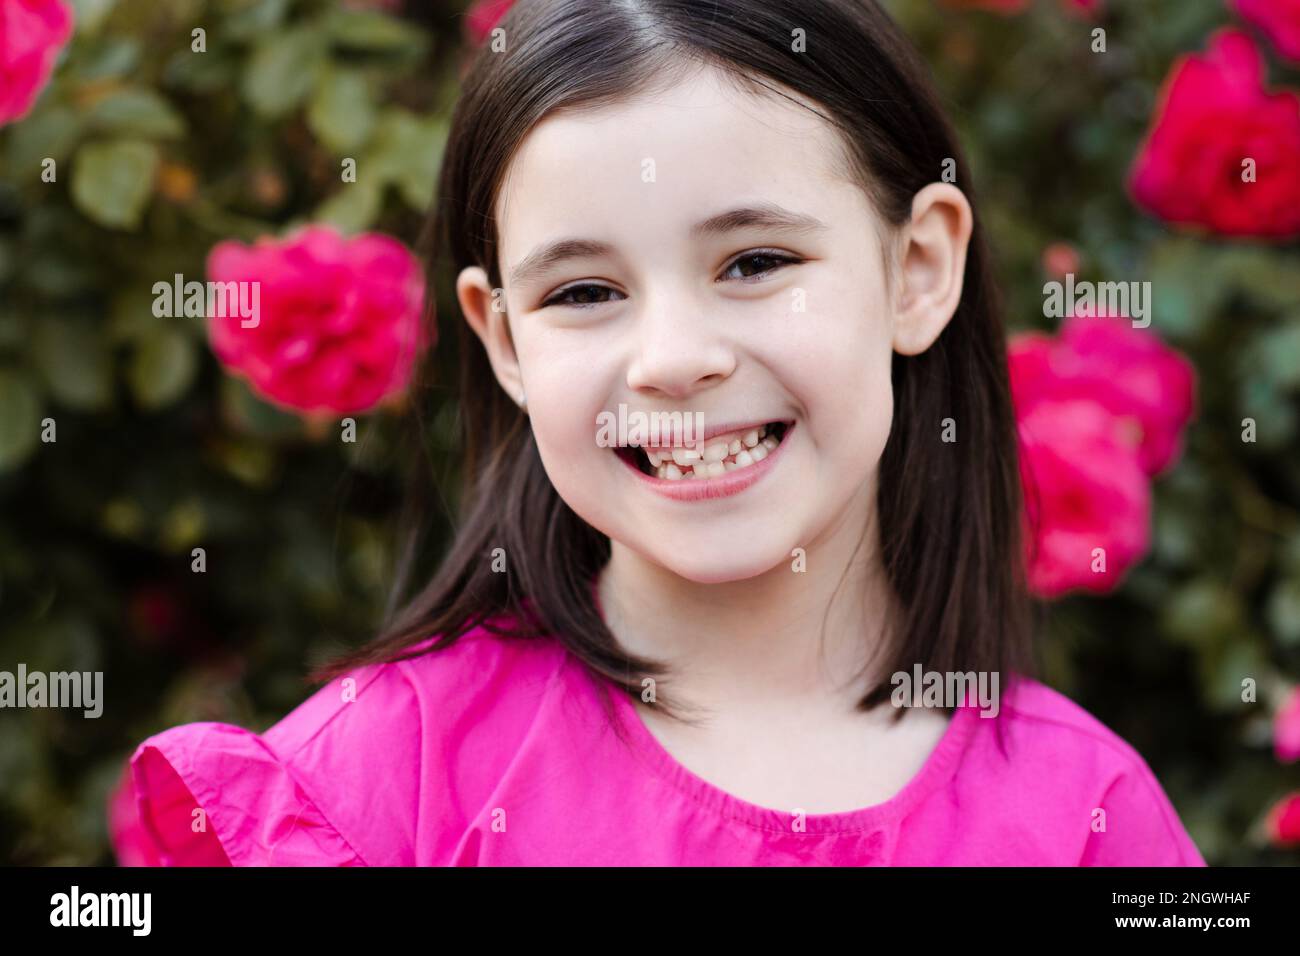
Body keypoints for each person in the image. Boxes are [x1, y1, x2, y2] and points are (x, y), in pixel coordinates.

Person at [112, 0, 1206, 866]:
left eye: (755, 263)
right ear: (502, 340)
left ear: (916, 269)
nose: (673, 357)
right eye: (584, 290)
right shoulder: (373, 788)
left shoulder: (1083, 813)